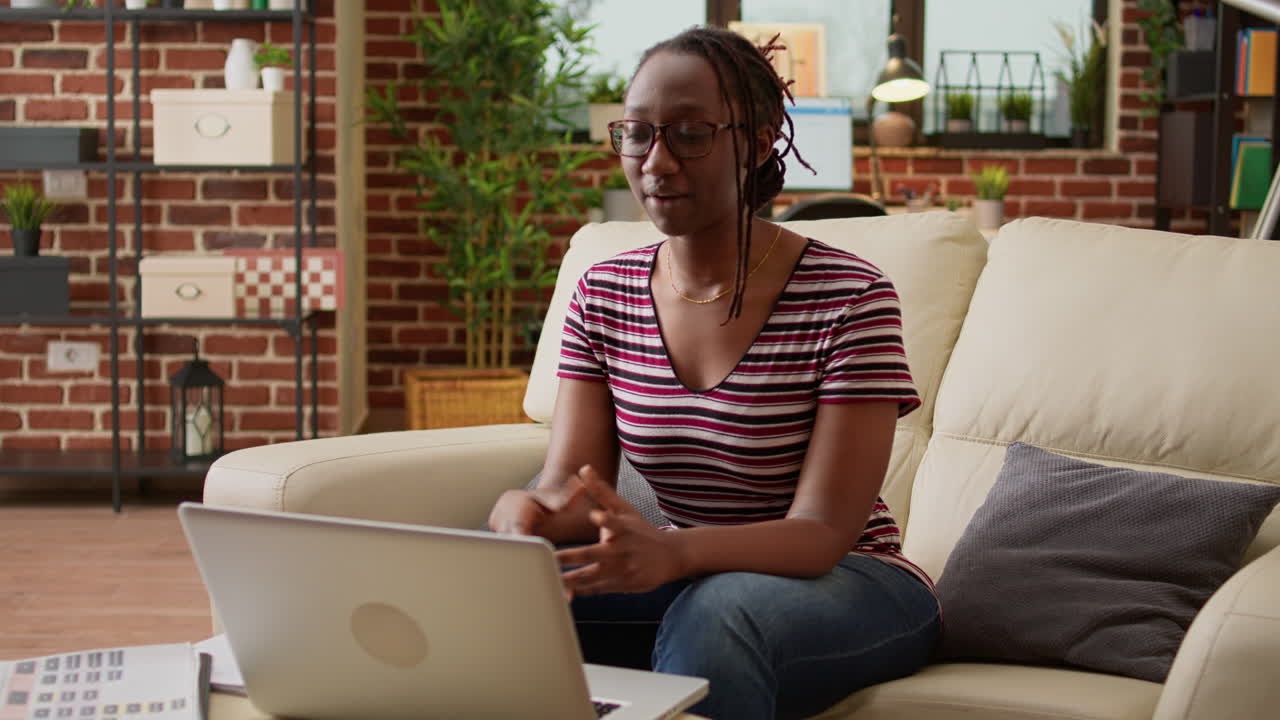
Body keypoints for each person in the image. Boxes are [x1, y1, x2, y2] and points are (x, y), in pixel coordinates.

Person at [488, 26, 940, 720]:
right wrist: (529, 515)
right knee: (498, 596)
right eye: (637, 134)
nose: (656, 162)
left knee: (720, 611)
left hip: (854, 582)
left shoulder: (850, 296)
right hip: (696, 577)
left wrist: (674, 553)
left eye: (690, 134)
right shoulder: (602, 293)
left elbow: (821, 532)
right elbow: (572, 484)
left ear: (756, 144)